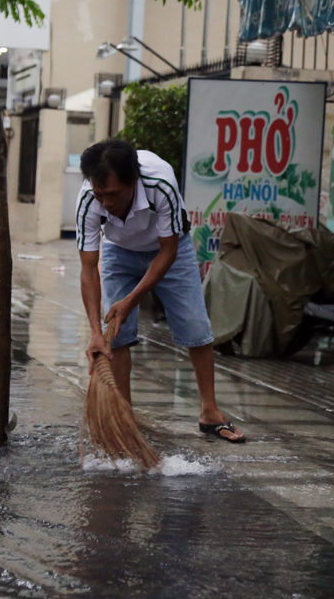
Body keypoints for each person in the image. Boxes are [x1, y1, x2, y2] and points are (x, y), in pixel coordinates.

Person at [76, 139, 244, 443]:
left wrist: (131, 300)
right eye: (101, 195)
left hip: (171, 249)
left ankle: (210, 412)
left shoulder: (159, 183)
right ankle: (124, 418)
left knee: (196, 327)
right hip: (119, 250)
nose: (107, 203)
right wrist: (95, 333)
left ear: (133, 181)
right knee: (118, 333)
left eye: (113, 194)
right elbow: (88, 268)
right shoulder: (89, 198)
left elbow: (167, 251)